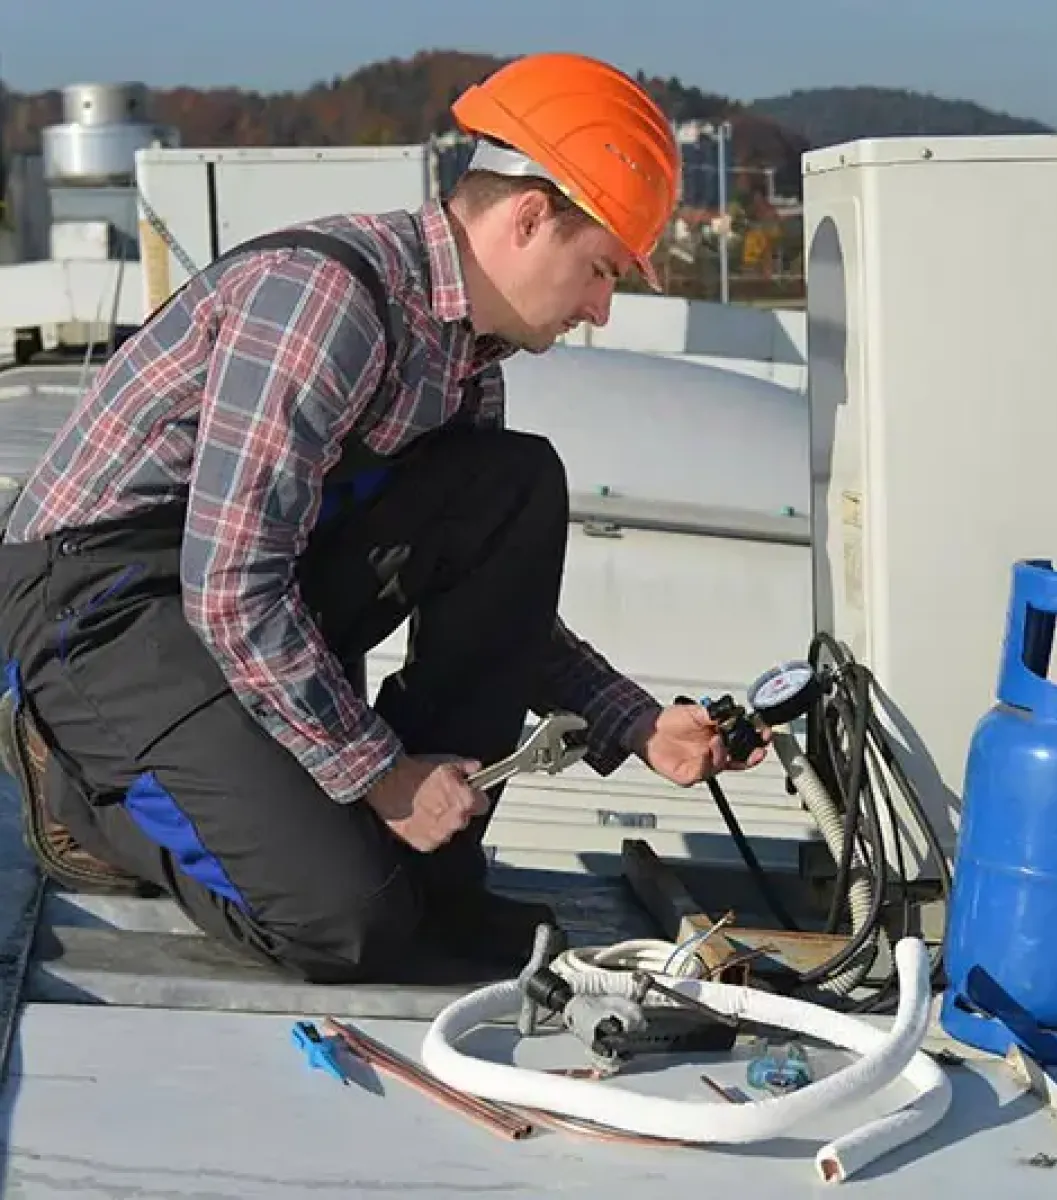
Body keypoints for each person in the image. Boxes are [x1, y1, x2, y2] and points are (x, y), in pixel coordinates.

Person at [0, 51, 764, 984]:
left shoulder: (465, 359)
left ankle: (436, 875)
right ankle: (81, 784)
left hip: (225, 584)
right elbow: (233, 584)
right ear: (529, 218)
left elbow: (505, 607)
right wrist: (376, 774)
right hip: (101, 605)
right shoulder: (330, 301)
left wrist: (639, 724)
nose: (601, 310)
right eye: (601, 270)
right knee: (346, 926)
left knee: (512, 485)